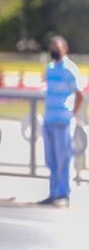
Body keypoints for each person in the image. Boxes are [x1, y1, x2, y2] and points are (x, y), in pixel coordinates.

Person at [40, 36, 84, 206]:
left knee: (63, 158)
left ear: (65, 48)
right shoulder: (50, 69)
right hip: (49, 119)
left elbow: (80, 93)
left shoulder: (70, 69)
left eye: (56, 46)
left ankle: (64, 193)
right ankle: (53, 192)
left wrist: (72, 113)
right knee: (51, 159)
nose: (53, 49)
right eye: (51, 46)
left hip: (63, 121)